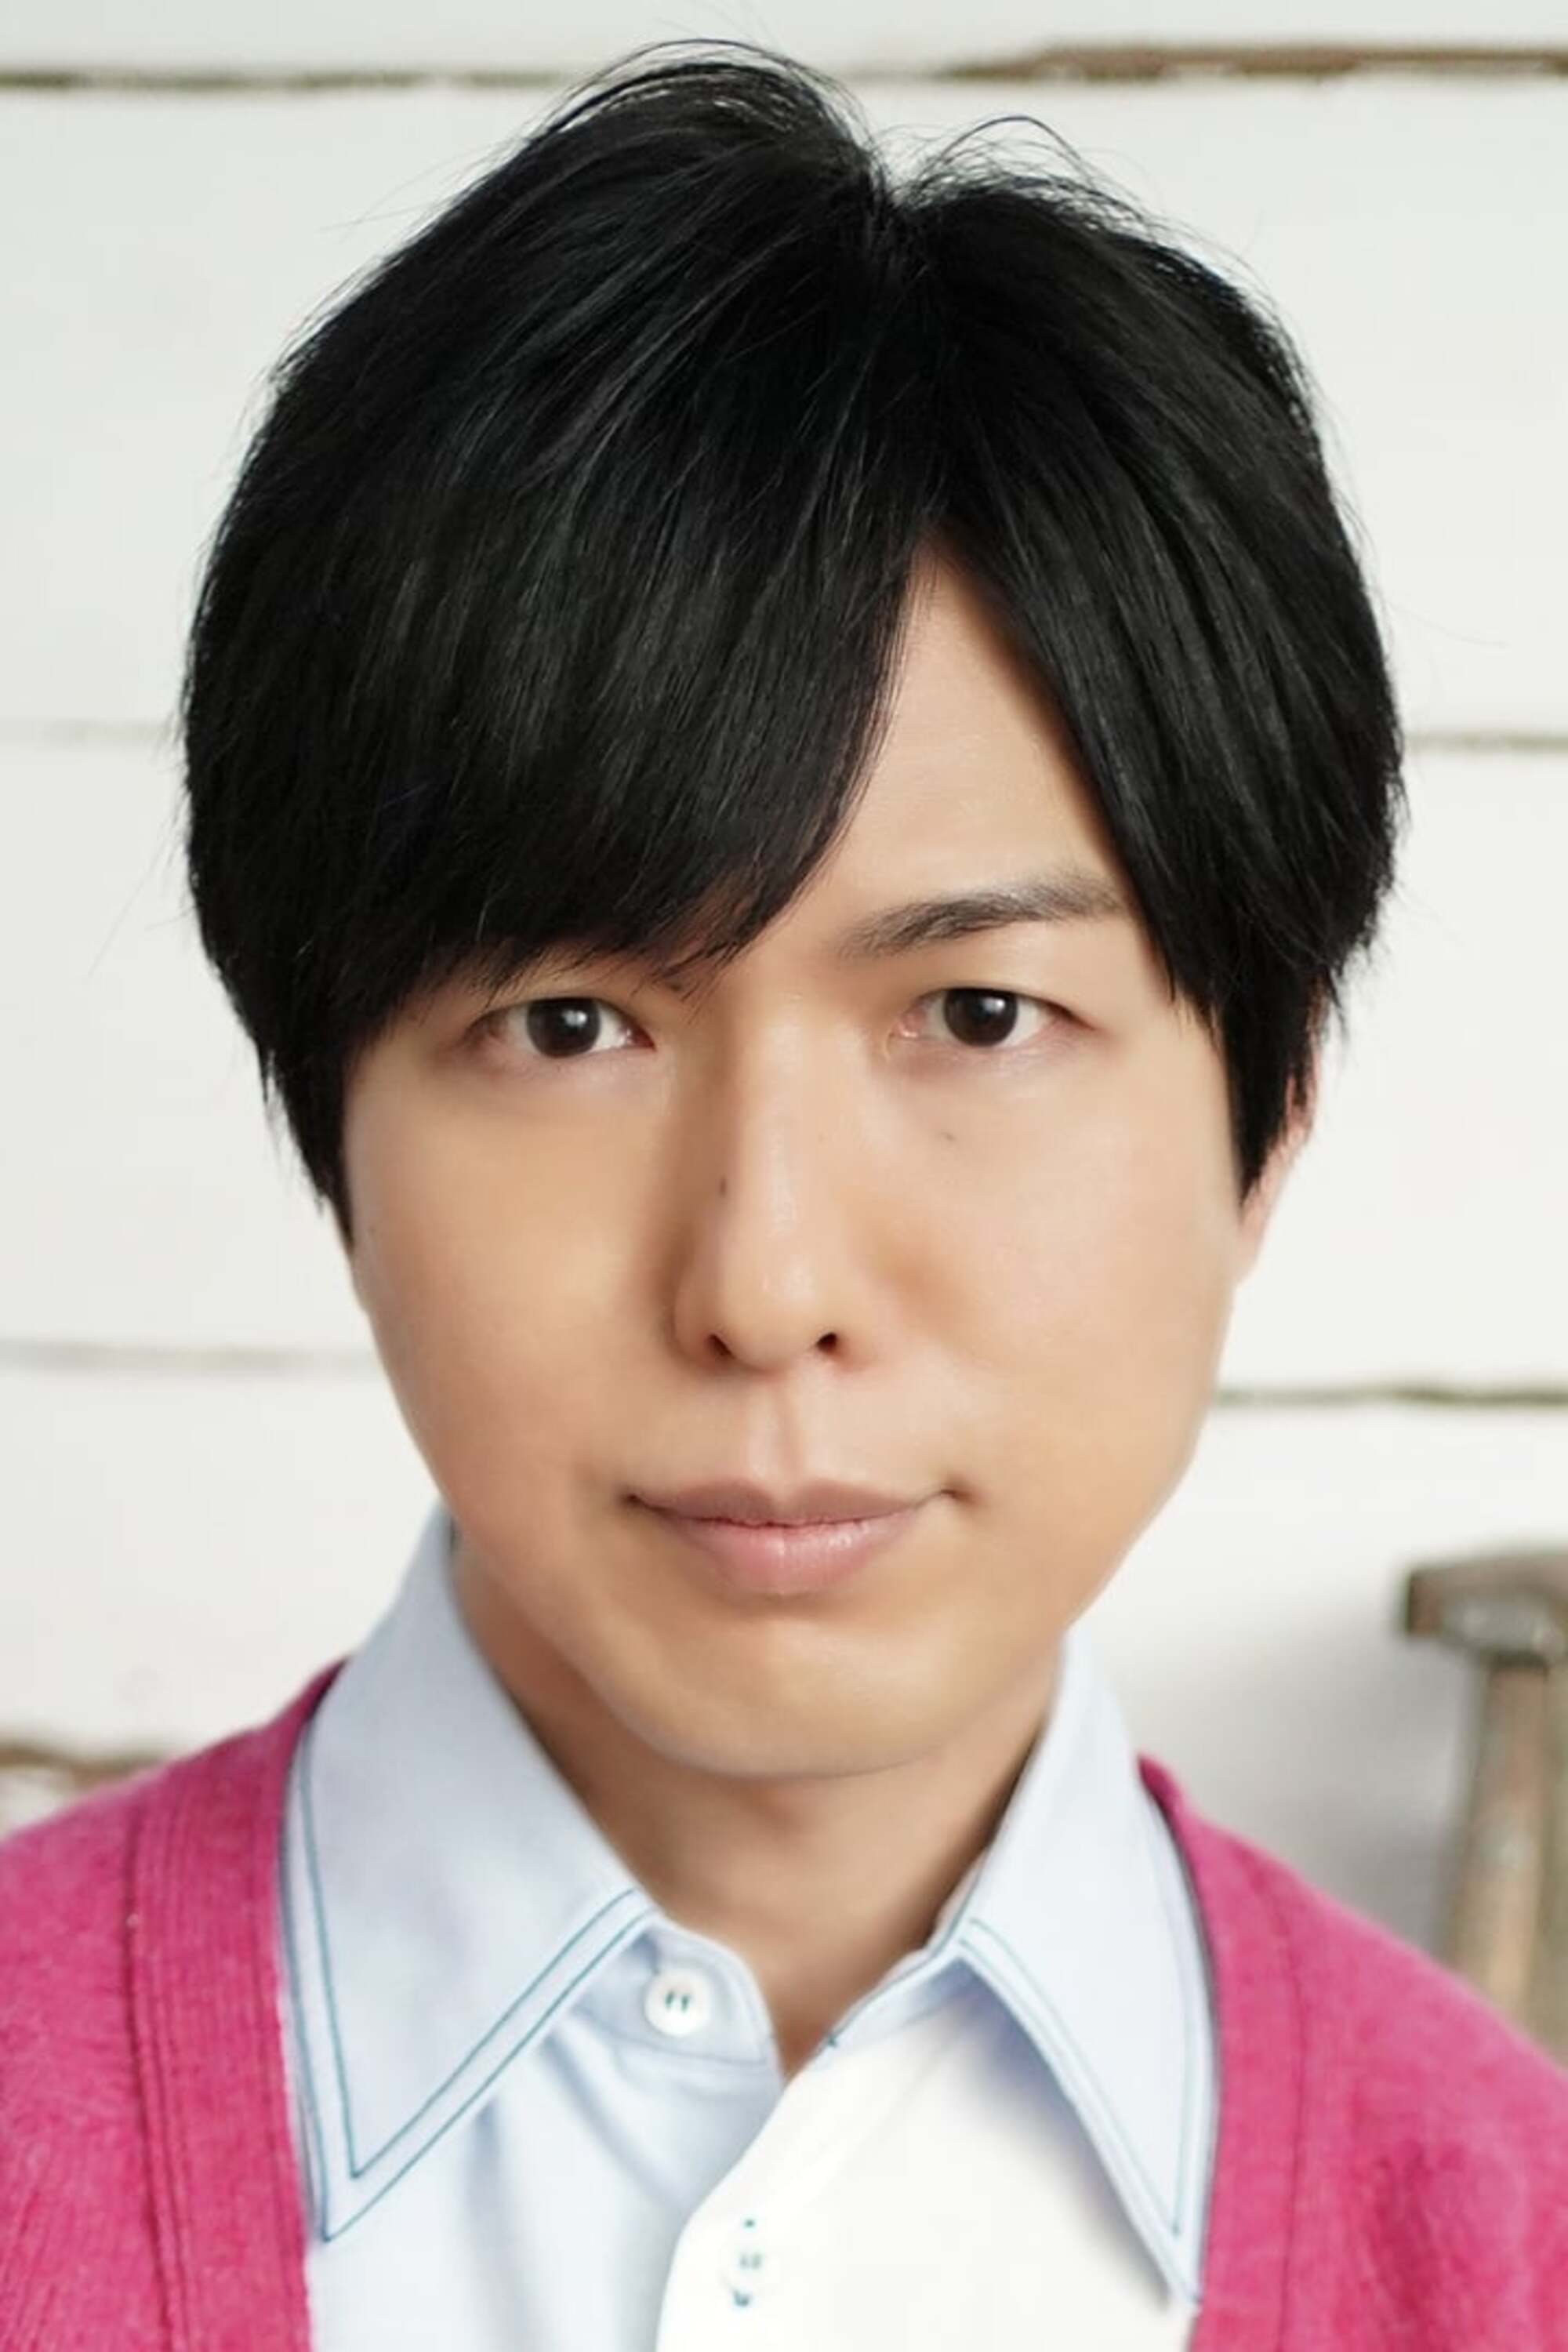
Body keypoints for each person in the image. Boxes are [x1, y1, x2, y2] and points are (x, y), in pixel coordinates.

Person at [3, 40, 1566, 2352]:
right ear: (327, 1111)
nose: (766, 1283)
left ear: (1272, 1113)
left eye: (978, 1014)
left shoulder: (1511, 2245)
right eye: (569, 1026)